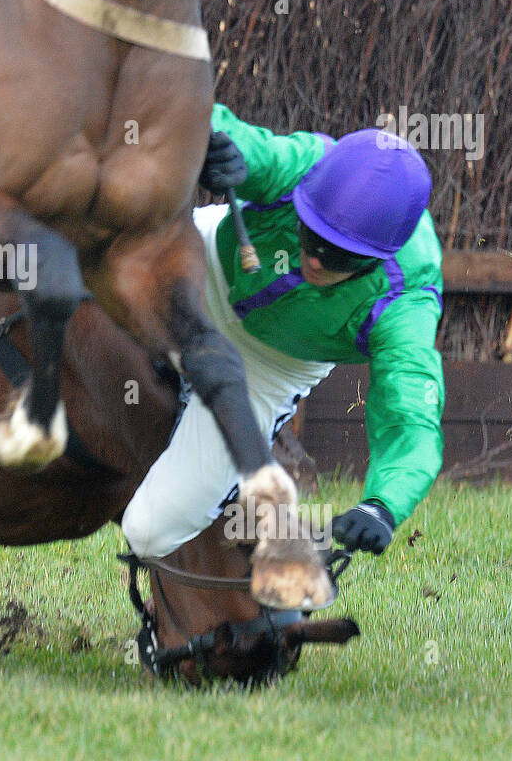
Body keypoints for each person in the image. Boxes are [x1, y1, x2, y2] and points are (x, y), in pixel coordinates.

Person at [121, 105, 445, 561]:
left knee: (148, 533)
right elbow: (246, 143)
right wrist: (211, 143)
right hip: (206, 266)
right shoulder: (309, 164)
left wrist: (382, 505)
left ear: (376, 259)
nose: (314, 260)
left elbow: (410, 411)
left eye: (339, 256)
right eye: (310, 235)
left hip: (267, 367)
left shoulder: (406, 298)